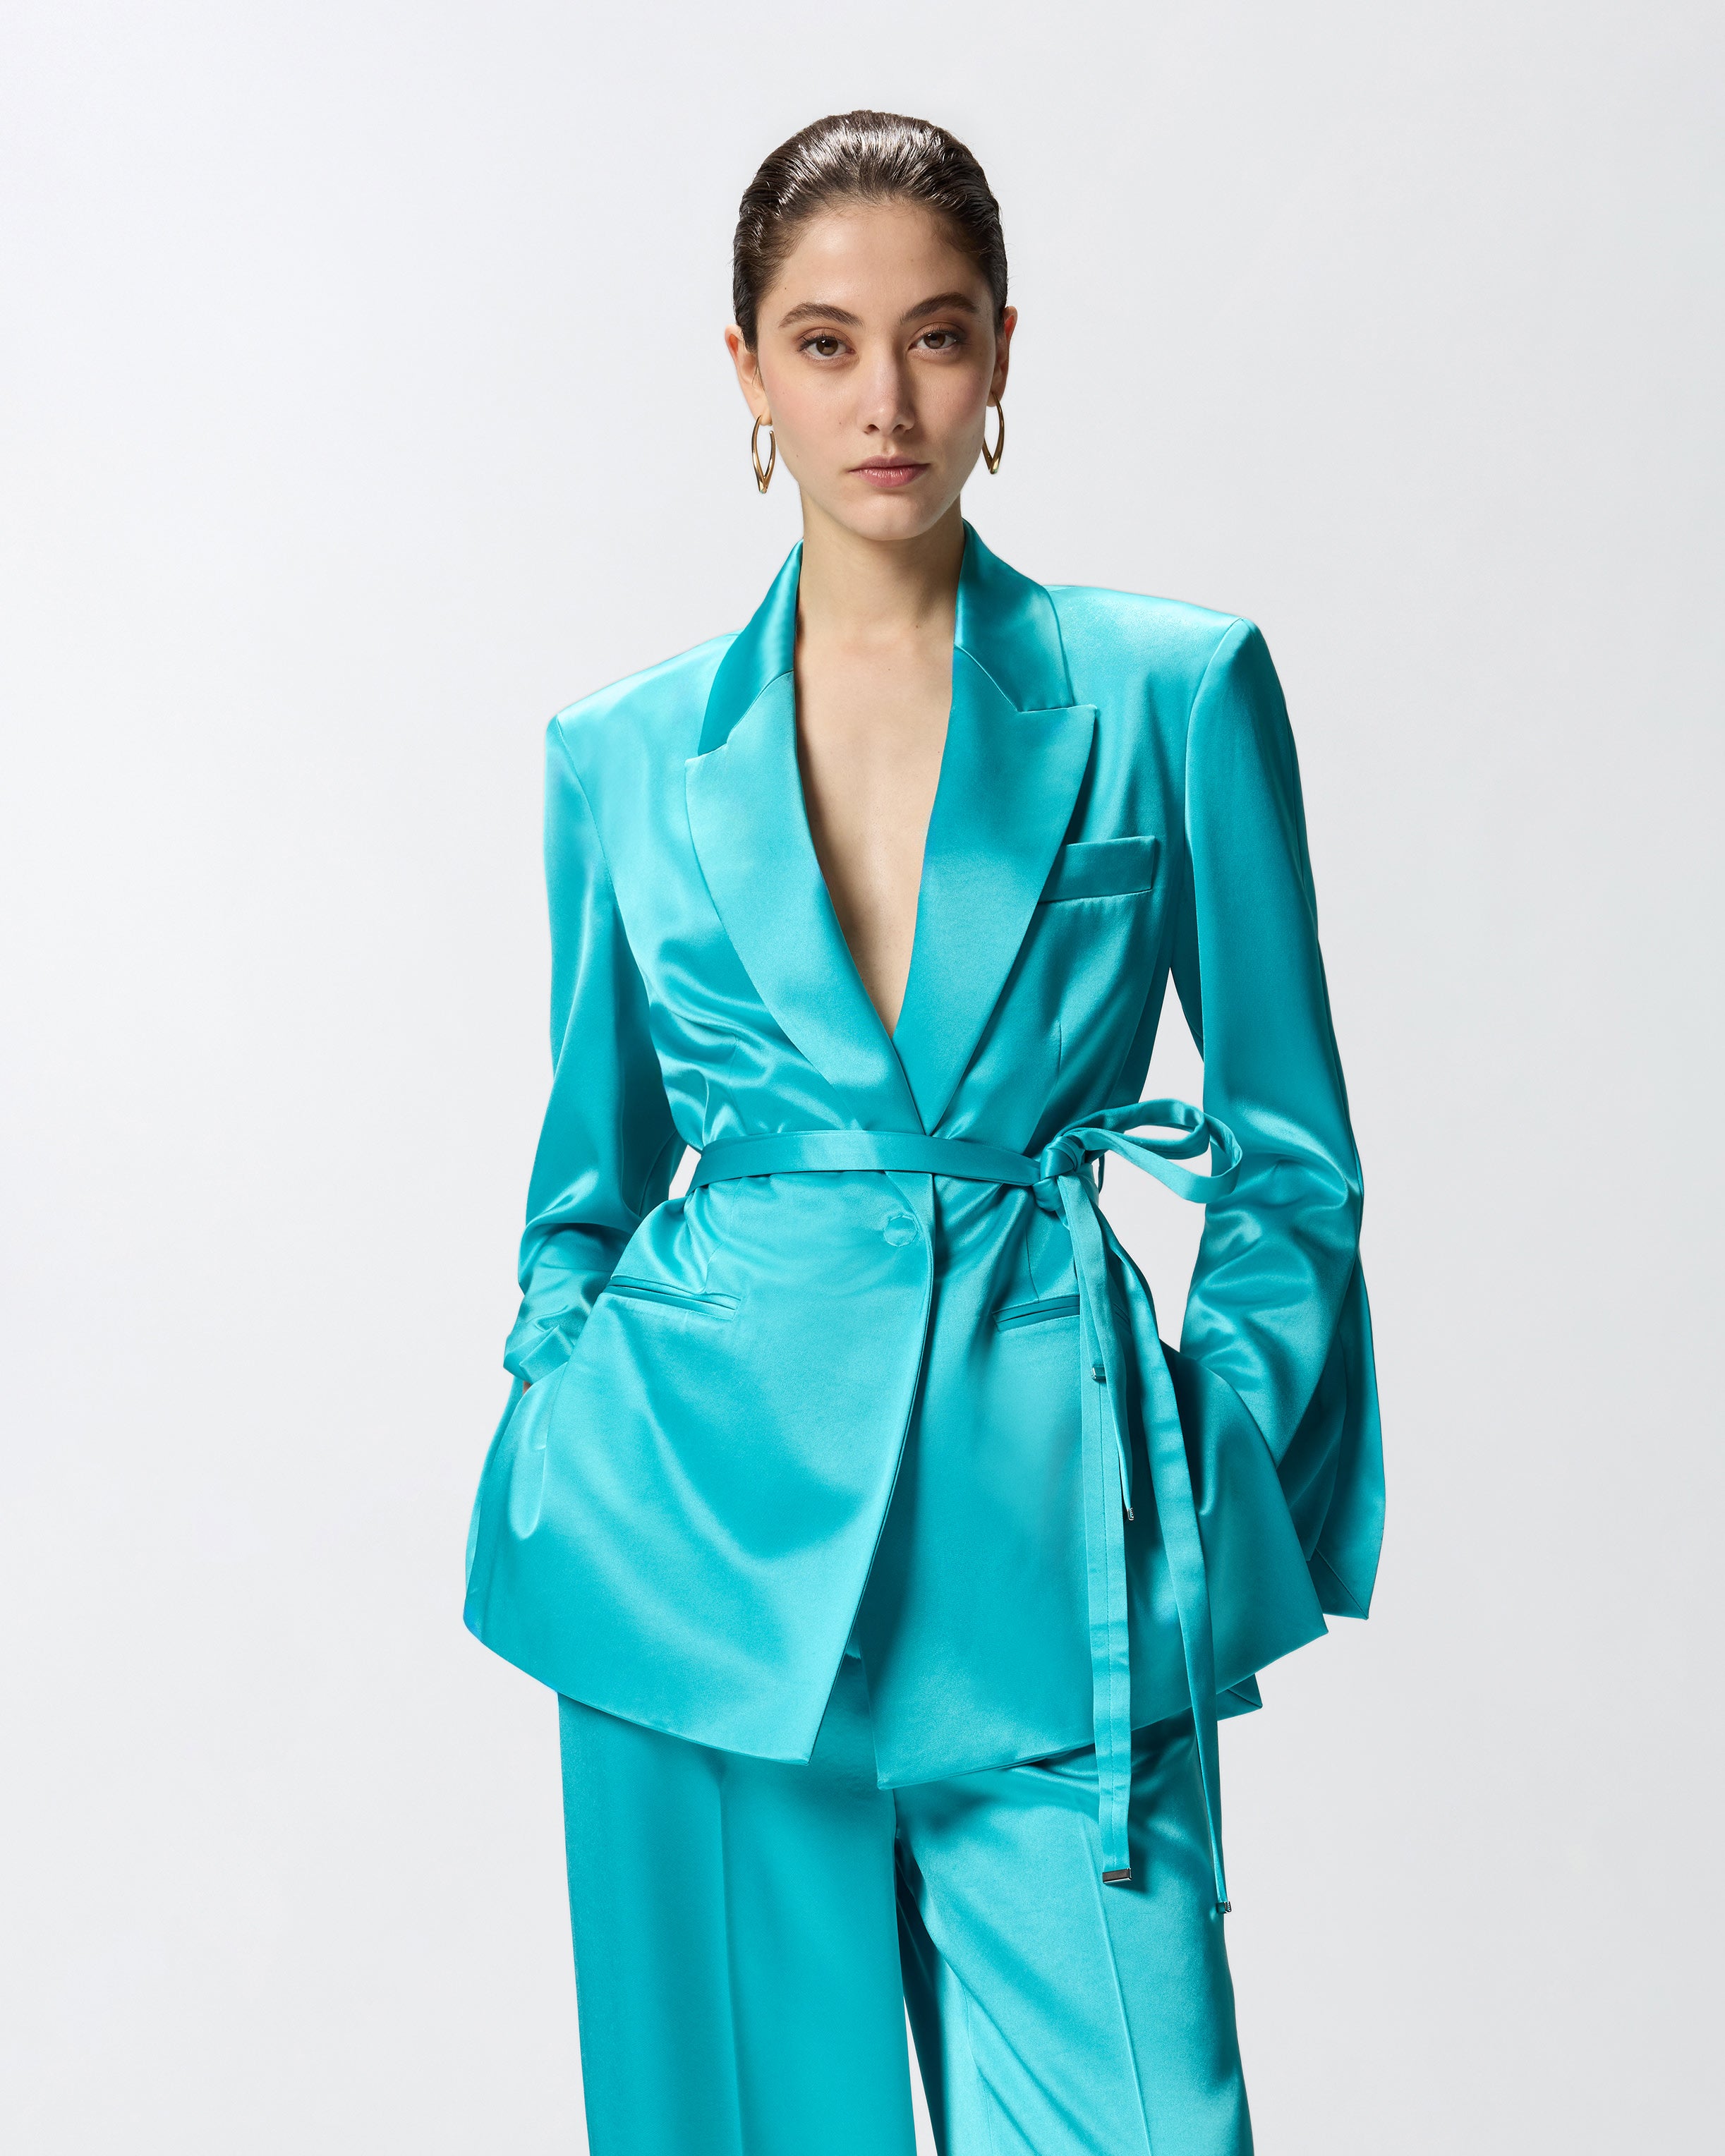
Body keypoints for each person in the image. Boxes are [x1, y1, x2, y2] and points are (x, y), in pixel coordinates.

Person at [464, 109, 1383, 2156]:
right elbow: (584, 1189)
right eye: (824, 343)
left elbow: (1292, 1156)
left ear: (1001, 354)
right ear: (746, 371)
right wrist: (567, 1400)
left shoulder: (1173, 691)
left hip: (1060, 1548)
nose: (885, 401)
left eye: (936, 336)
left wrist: (1211, 1458)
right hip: (692, 1562)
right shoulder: (622, 756)